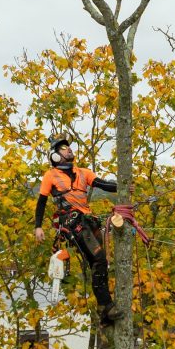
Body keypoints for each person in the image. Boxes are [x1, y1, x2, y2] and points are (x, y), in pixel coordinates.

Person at [34, 134, 121, 323]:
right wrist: (38, 226)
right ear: (55, 156)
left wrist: (122, 186)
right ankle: (107, 306)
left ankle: (104, 310)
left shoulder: (83, 172)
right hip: (72, 222)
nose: (69, 150)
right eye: (64, 148)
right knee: (98, 257)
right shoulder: (50, 175)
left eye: (68, 147)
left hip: (88, 221)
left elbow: (102, 184)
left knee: (100, 263)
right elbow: (41, 202)